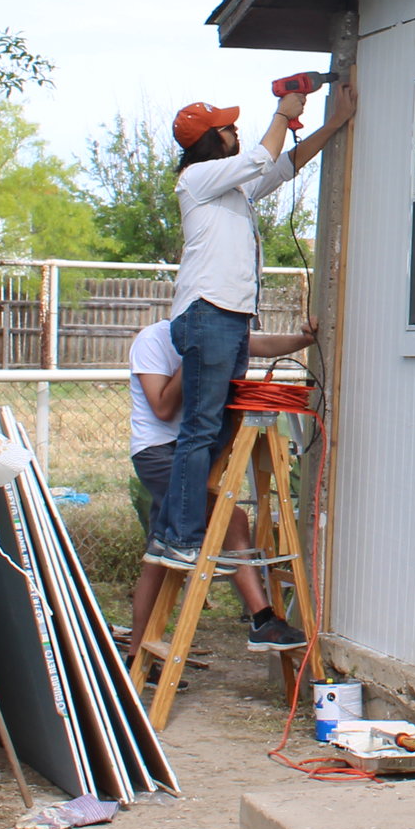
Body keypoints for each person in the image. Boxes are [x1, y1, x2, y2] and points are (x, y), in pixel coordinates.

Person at [146, 79, 356, 569]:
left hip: (226, 318)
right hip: (210, 313)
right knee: (201, 430)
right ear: (211, 140)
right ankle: (180, 537)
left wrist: (333, 124)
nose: (235, 131)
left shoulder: (228, 188)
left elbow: (281, 167)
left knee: (212, 429)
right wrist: (283, 114)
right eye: (227, 127)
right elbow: (265, 154)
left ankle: (172, 532)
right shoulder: (198, 179)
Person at [122, 314, 319, 657]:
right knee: (233, 520)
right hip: (160, 452)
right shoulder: (153, 340)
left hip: (196, 453)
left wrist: (304, 340)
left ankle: (138, 654)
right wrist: (197, 357)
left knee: (159, 552)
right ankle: (262, 619)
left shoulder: (219, 336)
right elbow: (163, 408)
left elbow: (264, 345)